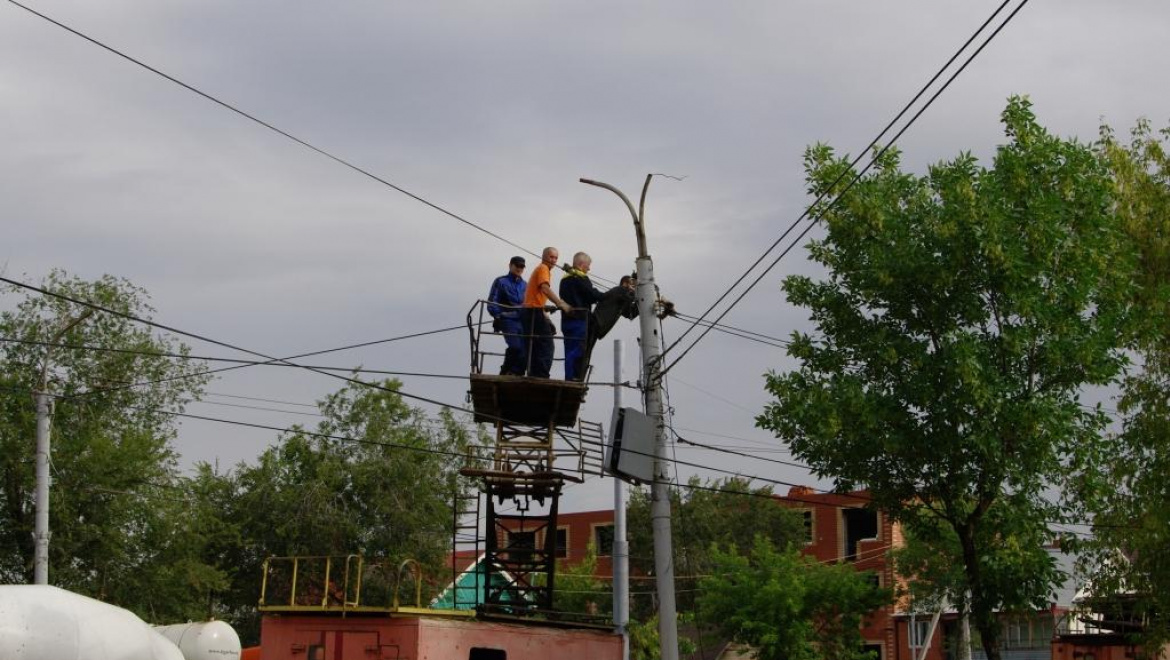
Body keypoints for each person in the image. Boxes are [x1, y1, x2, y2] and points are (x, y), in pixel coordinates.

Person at [522, 247, 572, 378]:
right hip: (533, 312)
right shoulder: (543, 268)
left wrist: (545, 308)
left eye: (556, 258)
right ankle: (541, 374)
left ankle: (534, 373)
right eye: (551, 257)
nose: (554, 260)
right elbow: (544, 288)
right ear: (544, 257)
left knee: (536, 344)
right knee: (547, 344)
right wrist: (560, 303)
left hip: (532, 311)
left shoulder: (542, 269)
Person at [558, 252, 605, 381]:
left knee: (569, 349)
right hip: (579, 320)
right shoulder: (580, 277)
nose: (589, 269)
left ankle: (569, 376)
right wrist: (605, 296)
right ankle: (573, 377)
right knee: (578, 349)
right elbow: (591, 294)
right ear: (580, 264)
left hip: (566, 320)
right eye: (588, 265)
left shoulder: (564, 279)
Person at [586, 274, 639, 369]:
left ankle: (580, 374)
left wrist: (642, 304)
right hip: (595, 323)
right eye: (633, 285)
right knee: (585, 351)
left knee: (587, 352)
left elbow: (630, 314)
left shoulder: (622, 298)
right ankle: (578, 375)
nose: (634, 288)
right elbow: (628, 297)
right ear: (625, 283)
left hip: (597, 325)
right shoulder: (619, 290)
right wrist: (641, 295)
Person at [487, 256, 527, 375]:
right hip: (507, 319)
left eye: (522, 266)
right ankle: (506, 371)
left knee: (526, 349)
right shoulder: (501, 281)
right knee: (516, 346)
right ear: (510, 265)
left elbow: (529, 303)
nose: (519, 268)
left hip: (523, 320)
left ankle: (516, 372)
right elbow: (492, 301)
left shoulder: (525, 285)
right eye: (517, 265)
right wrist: (497, 316)